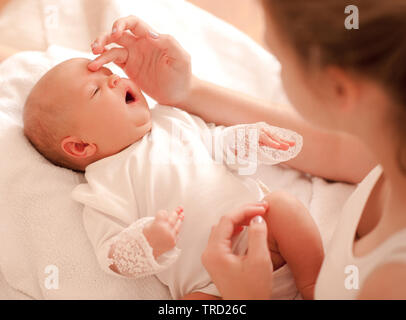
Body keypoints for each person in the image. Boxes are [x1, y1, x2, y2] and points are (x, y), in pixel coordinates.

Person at [23, 15, 324, 299]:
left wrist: (249, 140)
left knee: (284, 206)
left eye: (109, 74)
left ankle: (313, 284)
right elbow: (111, 254)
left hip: (262, 231)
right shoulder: (101, 188)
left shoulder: (170, 120)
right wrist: (147, 242)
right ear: (80, 147)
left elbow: (217, 143)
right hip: (212, 284)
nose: (114, 81)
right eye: (95, 91)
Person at [201, 0, 406, 299]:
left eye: (279, 61)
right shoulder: (389, 133)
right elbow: (333, 147)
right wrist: (186, 90)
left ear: (337, 88)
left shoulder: (391, 284)